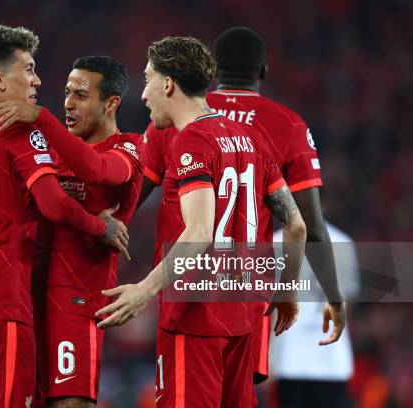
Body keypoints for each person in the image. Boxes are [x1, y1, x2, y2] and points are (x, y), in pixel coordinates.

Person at [95, 36, 307, 407]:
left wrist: (143, 290)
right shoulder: (251, 137)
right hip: (242, 316)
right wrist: (287, 289)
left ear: (167, 84)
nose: (143, 95)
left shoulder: (190, 141)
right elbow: (297, 225)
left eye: (147, 80)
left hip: (193, 318)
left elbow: (199, 232)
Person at [0, 26, 127, 408]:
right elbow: (53, 203)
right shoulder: (15, 128)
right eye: (29, 69)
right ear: (0, 79)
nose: (37, 80)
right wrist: (100, 227)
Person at [138, 26, 346, 386]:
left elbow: (130, 199)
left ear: (212, 70)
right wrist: (331, 298)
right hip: (248, 296)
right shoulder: (286, 125)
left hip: (189, 295)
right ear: (264, 71)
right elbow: (307, 226)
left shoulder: (173, 117)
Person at [270, 222, 359, 408]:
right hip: (331, 358)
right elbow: (346, 306)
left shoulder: (277, 242)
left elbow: (269, 310)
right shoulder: (342, 241)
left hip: (290, 357)